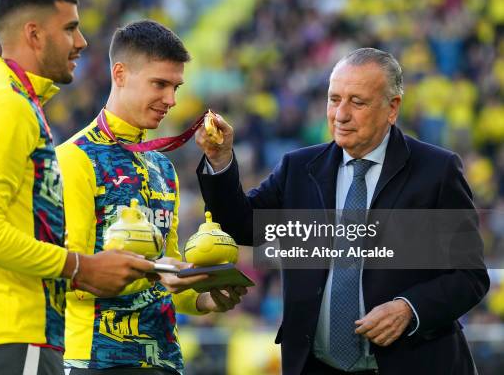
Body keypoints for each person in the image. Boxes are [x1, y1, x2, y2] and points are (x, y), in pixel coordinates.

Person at [195, 48, 489, 374]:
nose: (341, 114)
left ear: (392, 108)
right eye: (334, 100)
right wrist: (220, 162)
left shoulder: (436, 171)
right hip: (317, 366)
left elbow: (469, 276)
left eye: (357, 102)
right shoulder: (299, 168)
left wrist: (409, 309)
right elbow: (243, 226)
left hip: (415, 363)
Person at [0, 0, 154, 375]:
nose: (82, 42)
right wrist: (80, 267)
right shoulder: (6, 107)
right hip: (12, 338)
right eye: (71, 28)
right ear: (34, 35)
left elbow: (15, 230)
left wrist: (84, 270)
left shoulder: (9, 102)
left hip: (5, 339)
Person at [56, 19, 246, 375]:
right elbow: (70, 275)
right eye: (159, 84)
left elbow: (171, 270)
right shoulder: (74, 159)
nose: (171, 100)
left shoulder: (162, 166)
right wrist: (157, 273)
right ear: (121, 73)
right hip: (96, 360)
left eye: (176, 86)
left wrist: (206, 297)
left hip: (164, 362)